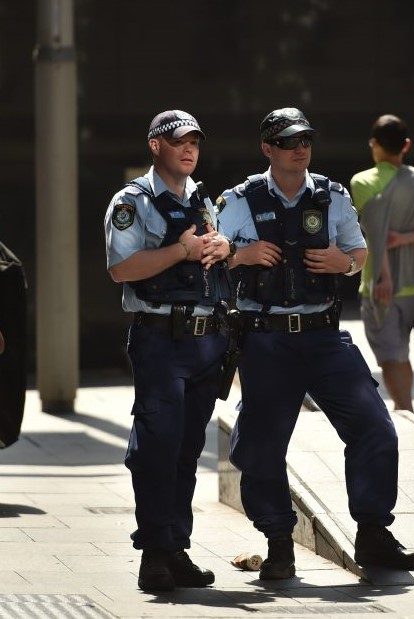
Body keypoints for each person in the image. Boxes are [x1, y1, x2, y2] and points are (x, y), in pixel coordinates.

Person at [217, 107, 414, 579]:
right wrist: (240, 254)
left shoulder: (332, 196)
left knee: (375, 428)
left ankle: (373, 533)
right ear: (268, 148)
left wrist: (343, 263)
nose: (300, 148)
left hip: (324, 337)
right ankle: (278, 542)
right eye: (289, 142)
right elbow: (209, 259)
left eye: (306, 139)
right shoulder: (238, 201)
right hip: (266, 340)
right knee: (263, 445)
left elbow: (359, 254)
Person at [104, 110, 232, 592]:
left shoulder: (201, 199)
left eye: (195, 141)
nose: (189, 148)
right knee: (157, 447)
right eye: (179, 140)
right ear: (155, 145)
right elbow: (122, 268)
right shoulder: (132, 202)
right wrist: (182, 251)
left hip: (206, 339)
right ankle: (154, 553)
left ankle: (177, 548)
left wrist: (220, 249)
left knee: (186, 449)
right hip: (160, 338)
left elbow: (210, 257)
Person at [350, 114, 414, 412]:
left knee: (393, 356)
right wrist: (408, 237)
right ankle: (404, 409)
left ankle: (405, 410)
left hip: (382, 289)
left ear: (374, 144)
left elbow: (374, 233)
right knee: (400, 355)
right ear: (406, 145)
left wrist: (383, 277)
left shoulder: (364, 181)